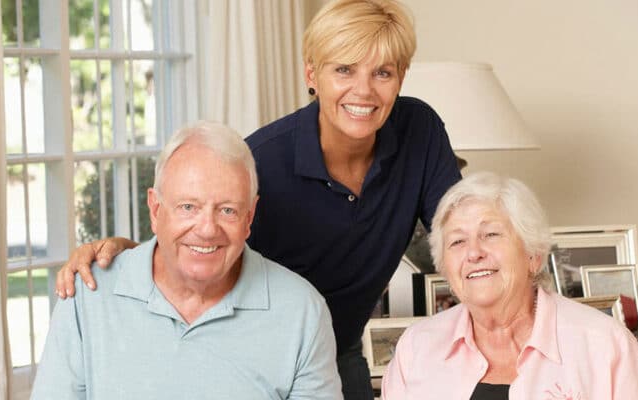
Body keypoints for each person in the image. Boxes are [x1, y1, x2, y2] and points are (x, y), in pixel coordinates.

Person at [55, 0, 461, 398]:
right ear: (311, 73)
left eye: (382, 73)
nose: (364, 90)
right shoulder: (262, 161)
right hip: (253, 355)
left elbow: (461, 232)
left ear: (402, 77)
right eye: (344, 69)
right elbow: (198, 241)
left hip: (341, 349)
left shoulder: (419, 131)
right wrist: (126, 253)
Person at [32, 122, 342, 399]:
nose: (207, 230)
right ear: (155, 210)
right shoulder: (87, 297)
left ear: (249, 217)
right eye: (188, 207)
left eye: (228, 210)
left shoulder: (302, 312)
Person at [381, 172, 638, 399]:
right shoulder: (417, 347)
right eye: (457, 241)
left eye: (490, 234)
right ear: (445, 267)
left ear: (533, 254)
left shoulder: (603, 343)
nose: (473, 253)